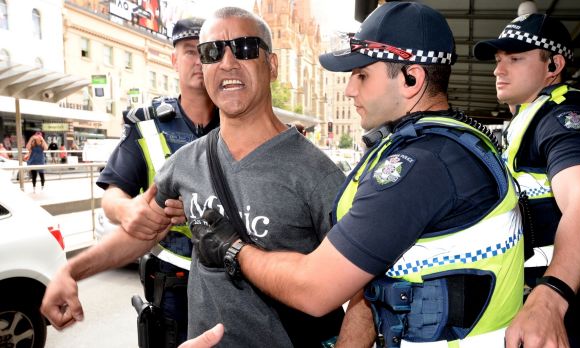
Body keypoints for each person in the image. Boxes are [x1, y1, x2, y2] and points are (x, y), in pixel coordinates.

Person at [193, 2, 525, 347]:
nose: (350, 89)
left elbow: (315, 289)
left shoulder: (420, 167)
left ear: (412, 79)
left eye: (362, 75)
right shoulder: (451, 144)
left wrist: (233, 249)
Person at [41, 6, 345, 347]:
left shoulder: (318, 174)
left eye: (244, 48)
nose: (227, 63)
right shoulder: (185, 162)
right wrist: (70, 272)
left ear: (271, 65)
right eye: (212, 53)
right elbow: (143, 232)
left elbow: (362, 290)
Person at [474, 13, 580, 348]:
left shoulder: (564, 118)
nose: (499, 70)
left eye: (515, 59)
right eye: (498, 60)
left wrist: (551, 295)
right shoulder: (535, 115)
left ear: (553, 65)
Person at [95, 17, 219, 346]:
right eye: (190, 52)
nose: (198, 61)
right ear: (174, 60)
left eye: (207, 52)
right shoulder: (147, 124)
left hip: (231, 279)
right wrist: (126, 210)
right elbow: (112, 195)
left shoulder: (240, 119)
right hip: (173, 282)